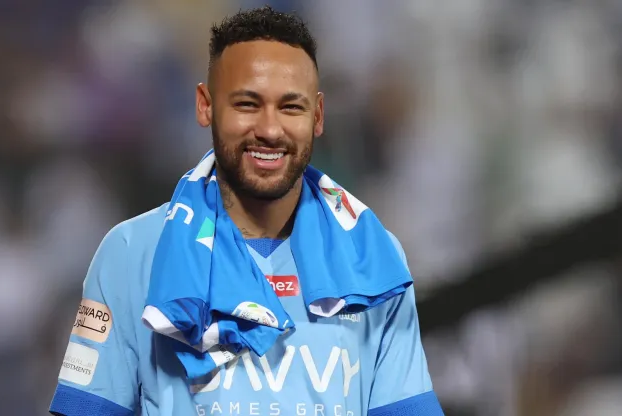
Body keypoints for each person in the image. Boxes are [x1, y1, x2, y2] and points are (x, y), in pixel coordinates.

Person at [49, 6, 443, 416]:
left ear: (318, 116)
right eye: (247, 104)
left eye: (291, 107)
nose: (270, 130)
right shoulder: (132, 254)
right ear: (205, 106)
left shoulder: (375, 261)